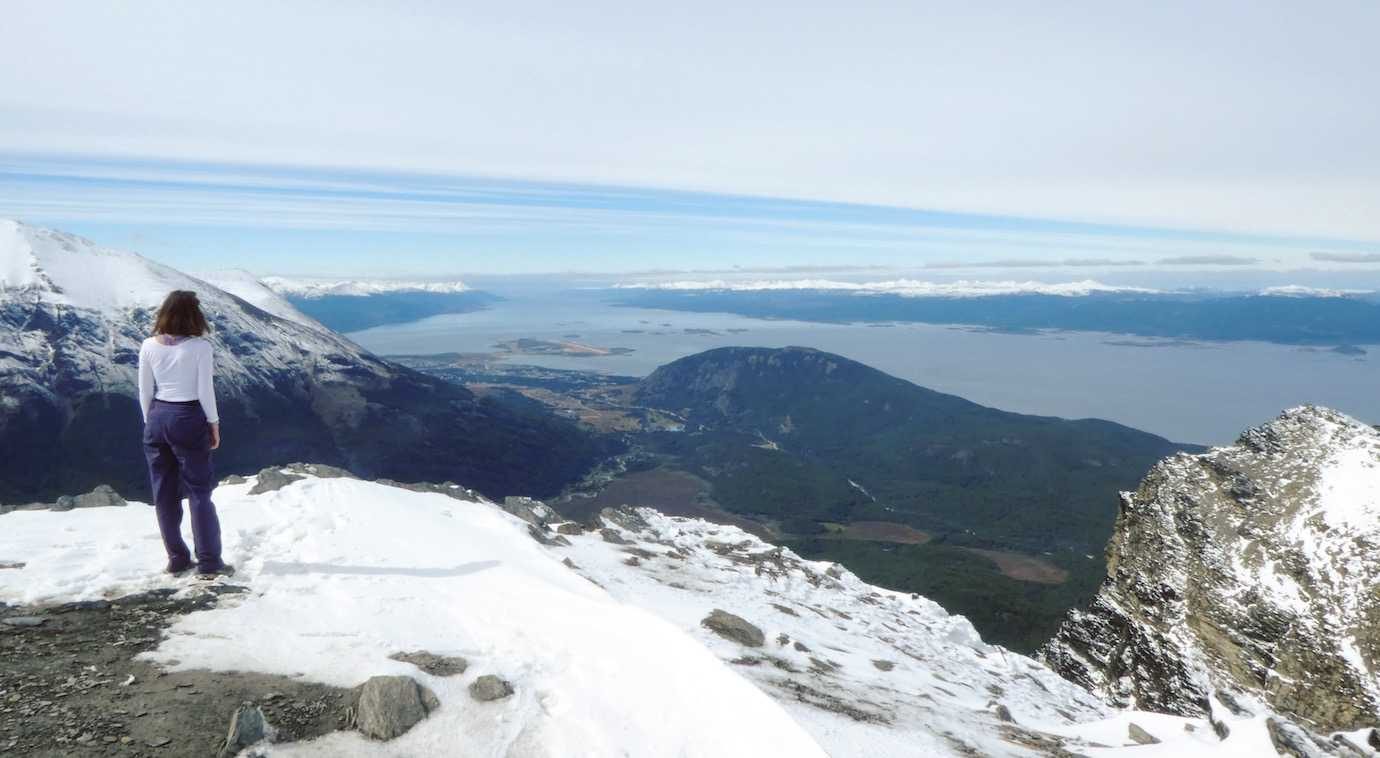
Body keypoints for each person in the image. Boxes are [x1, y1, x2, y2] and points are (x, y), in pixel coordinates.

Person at [138, 290, 231, 578]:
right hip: (188, 417)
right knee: (199, 492)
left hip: (156, 417)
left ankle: (177, 558)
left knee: (163, 492)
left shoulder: (148, 345)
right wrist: (213, 423)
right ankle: (209, 563)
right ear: (194, 316)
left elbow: (144, 390)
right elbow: (205, 390)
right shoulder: (199, 348)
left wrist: (150, 421)